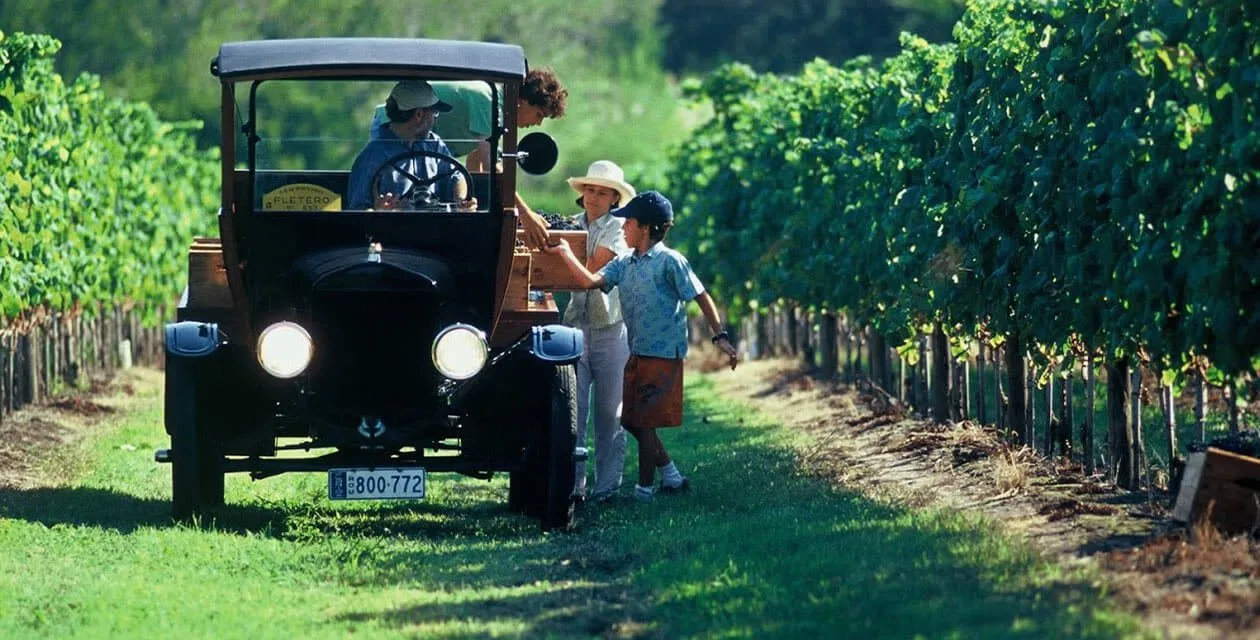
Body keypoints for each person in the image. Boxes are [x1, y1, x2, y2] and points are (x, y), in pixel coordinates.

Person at [544, 191, 739, 503]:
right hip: (637, 352)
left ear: (645, 228)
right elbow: (588, 282)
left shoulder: (670, 261)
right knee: (631, 420)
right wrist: (566, 253)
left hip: (662, 354)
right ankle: (671, 476)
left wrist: (720, 336)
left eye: (629, 223)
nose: (623, 228)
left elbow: (701, 295)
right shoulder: (625, 263)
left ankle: (644, 491)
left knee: (644, 422)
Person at [369, 70, 568, 245]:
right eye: (539, 115)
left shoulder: (495, 111)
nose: (538, 124)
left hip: (425, 145)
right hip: (395, 125)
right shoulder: (489, 102)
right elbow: (491, 165)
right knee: (396, 201)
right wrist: (524, 214)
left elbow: (476, 163)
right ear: (522, 101)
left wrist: (472, 210)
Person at [562, 161, 636, 504]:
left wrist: (561, 255)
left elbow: (592, 270)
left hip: (610, 328)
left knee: (610, 413)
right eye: (590, 190)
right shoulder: (570, 225)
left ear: (614, 199)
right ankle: (573, 486)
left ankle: (606, 487)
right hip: (576, 325)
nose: (593, 197)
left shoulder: (618, 229)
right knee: (572, 411)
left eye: (602, 192)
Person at [348, 80, 472, 211]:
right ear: (419, 114)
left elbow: (456, 175)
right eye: (434, 112)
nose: (435, 118)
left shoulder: (434, 144)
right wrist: (380, 212)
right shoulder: (372, 156)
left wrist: (461, 201)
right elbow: (357, 210)